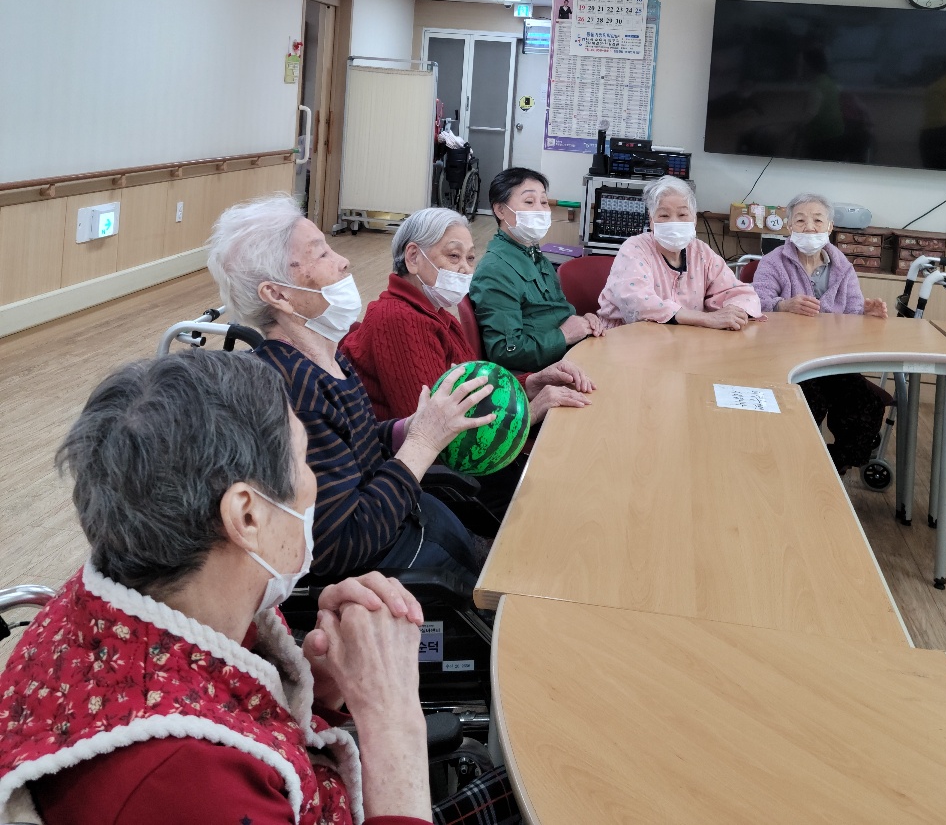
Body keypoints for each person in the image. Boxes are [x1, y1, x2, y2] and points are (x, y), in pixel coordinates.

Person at [0, 351, 520, 825]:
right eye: (305, 461)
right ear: (246, 515)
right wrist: (392, 721)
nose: (314, 483)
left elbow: (240, 709)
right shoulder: (184, 784)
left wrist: (319, 685)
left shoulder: (135, 598)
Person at [208, 194, 492, 588]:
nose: (343, 260)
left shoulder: (330, 359)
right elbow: (343, 543)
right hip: (380, 571)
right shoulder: (295, 396)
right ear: (278, 294)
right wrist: (424, 442)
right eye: (321, 253)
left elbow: (354, 447)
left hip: (410, 523)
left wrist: (407, 429)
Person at [349, 206, 595, 422]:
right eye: (453, 256)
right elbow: (429, 432)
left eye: (470, 258)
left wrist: (532, 382)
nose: (466, 269)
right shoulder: (398, 318)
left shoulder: (438, 315)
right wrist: (530, 411)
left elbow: (475, 387)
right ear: (413, 257)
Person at [752, 192, 892, 474]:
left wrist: (866, 312)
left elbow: (852, 311)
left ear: (829, 227)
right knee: (808, 403)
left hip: (832, 360)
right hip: (786, 360)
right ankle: (790, 464)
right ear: (789, 226)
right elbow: (755, 302)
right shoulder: (773, 262)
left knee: (867, 403)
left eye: (818, 220)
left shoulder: (843, 267)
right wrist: (783, 305)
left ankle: (831, 466)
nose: (809, 227)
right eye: (800, 220)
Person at [469, 167, 605, 371]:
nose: (541, 210)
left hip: (571, 355)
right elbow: (506, 351)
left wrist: (583, 322)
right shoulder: (495, 271)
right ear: (500, 210)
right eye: (529, 202)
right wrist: (564, 335)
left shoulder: (534, 254)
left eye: (544, 202)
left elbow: (554, 311)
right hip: (544, 371)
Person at [597, 175, 761, 330]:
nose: (674, 222)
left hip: (681, 341)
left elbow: (742, 294)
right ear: (651, 220)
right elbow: (638, 303)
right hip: (626, 338)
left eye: (682, 214)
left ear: (694, 219)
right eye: (664, 215)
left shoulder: (701, 252)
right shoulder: (635, 248)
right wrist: (706, 319)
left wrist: (733, 313)